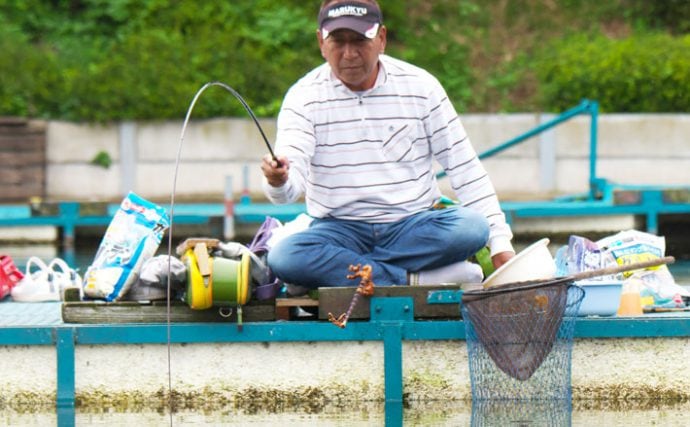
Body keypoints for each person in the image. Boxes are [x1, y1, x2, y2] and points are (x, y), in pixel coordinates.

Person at [261, 0, 514, 294]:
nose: (349, 53)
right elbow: (287, 191)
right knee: (284, 256)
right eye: (337, 42)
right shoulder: (303, 98)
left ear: (381, 38)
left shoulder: (422, 87)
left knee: (472, 228)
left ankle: (342, 272)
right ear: (321, 42)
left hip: (412, 226)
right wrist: (277, 180)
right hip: (339, 229)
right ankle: (411, 280)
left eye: (359, 41)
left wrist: (500, 244)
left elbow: (465, 169)